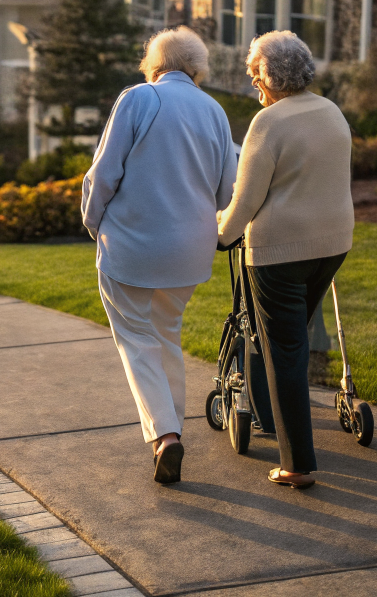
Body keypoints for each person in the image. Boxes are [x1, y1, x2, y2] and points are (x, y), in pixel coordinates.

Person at [82, 26, 236, 486]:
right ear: (197, 69)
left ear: (153, 65)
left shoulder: (138, 98)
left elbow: (102, 175)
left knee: (136, 340)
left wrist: (94, 224)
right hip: (188, 254)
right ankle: (172, 430)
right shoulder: (215, 111)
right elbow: (228, 190)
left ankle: (165, 437)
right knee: (166, 336)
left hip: (130, 247)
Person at [217, 30, 353, 490]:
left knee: (285, 349)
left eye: (254, 74)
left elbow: (247, 198)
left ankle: (296, 462)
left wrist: (222, 233)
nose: (253, 84)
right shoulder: (330, 111)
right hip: (332, 247)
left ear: (270, 76)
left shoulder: (269, 123)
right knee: (285, 340)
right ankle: (270, 416)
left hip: (279, 254)